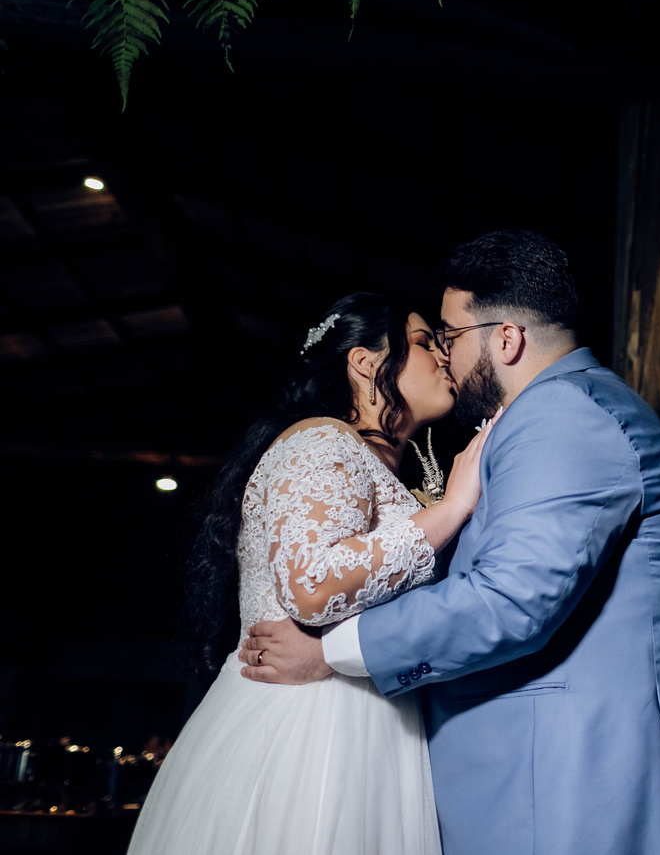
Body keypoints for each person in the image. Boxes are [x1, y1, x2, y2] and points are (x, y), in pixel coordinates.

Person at [241, 231, 660, 855]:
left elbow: (510, 598)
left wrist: (332, 652)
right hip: (516, 776)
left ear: (506, 339)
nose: (445, 355)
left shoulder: (565, 413)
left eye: (451, 335)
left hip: (569, 778)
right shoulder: (536, 419)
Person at [128, 293, 496, 855]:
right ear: (365, 362)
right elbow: (312, 586)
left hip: (375, 723)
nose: (444, 356)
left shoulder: (371, 460)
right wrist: (450, 511)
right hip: (307, 727)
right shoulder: (322, 440)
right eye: (424, 343)